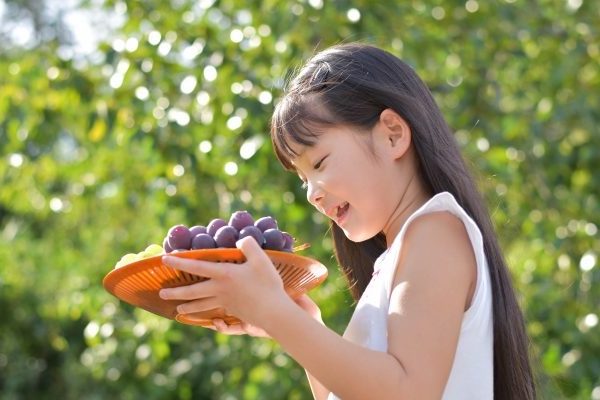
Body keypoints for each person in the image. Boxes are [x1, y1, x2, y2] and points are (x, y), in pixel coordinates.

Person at [159, 43, 536, 399]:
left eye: (319, 163)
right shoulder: (401, 254)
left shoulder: (435, 232)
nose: (311, 193)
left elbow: (408, 392)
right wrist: (300, 320)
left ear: (392, 135)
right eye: (303, 179)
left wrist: (274, 313)